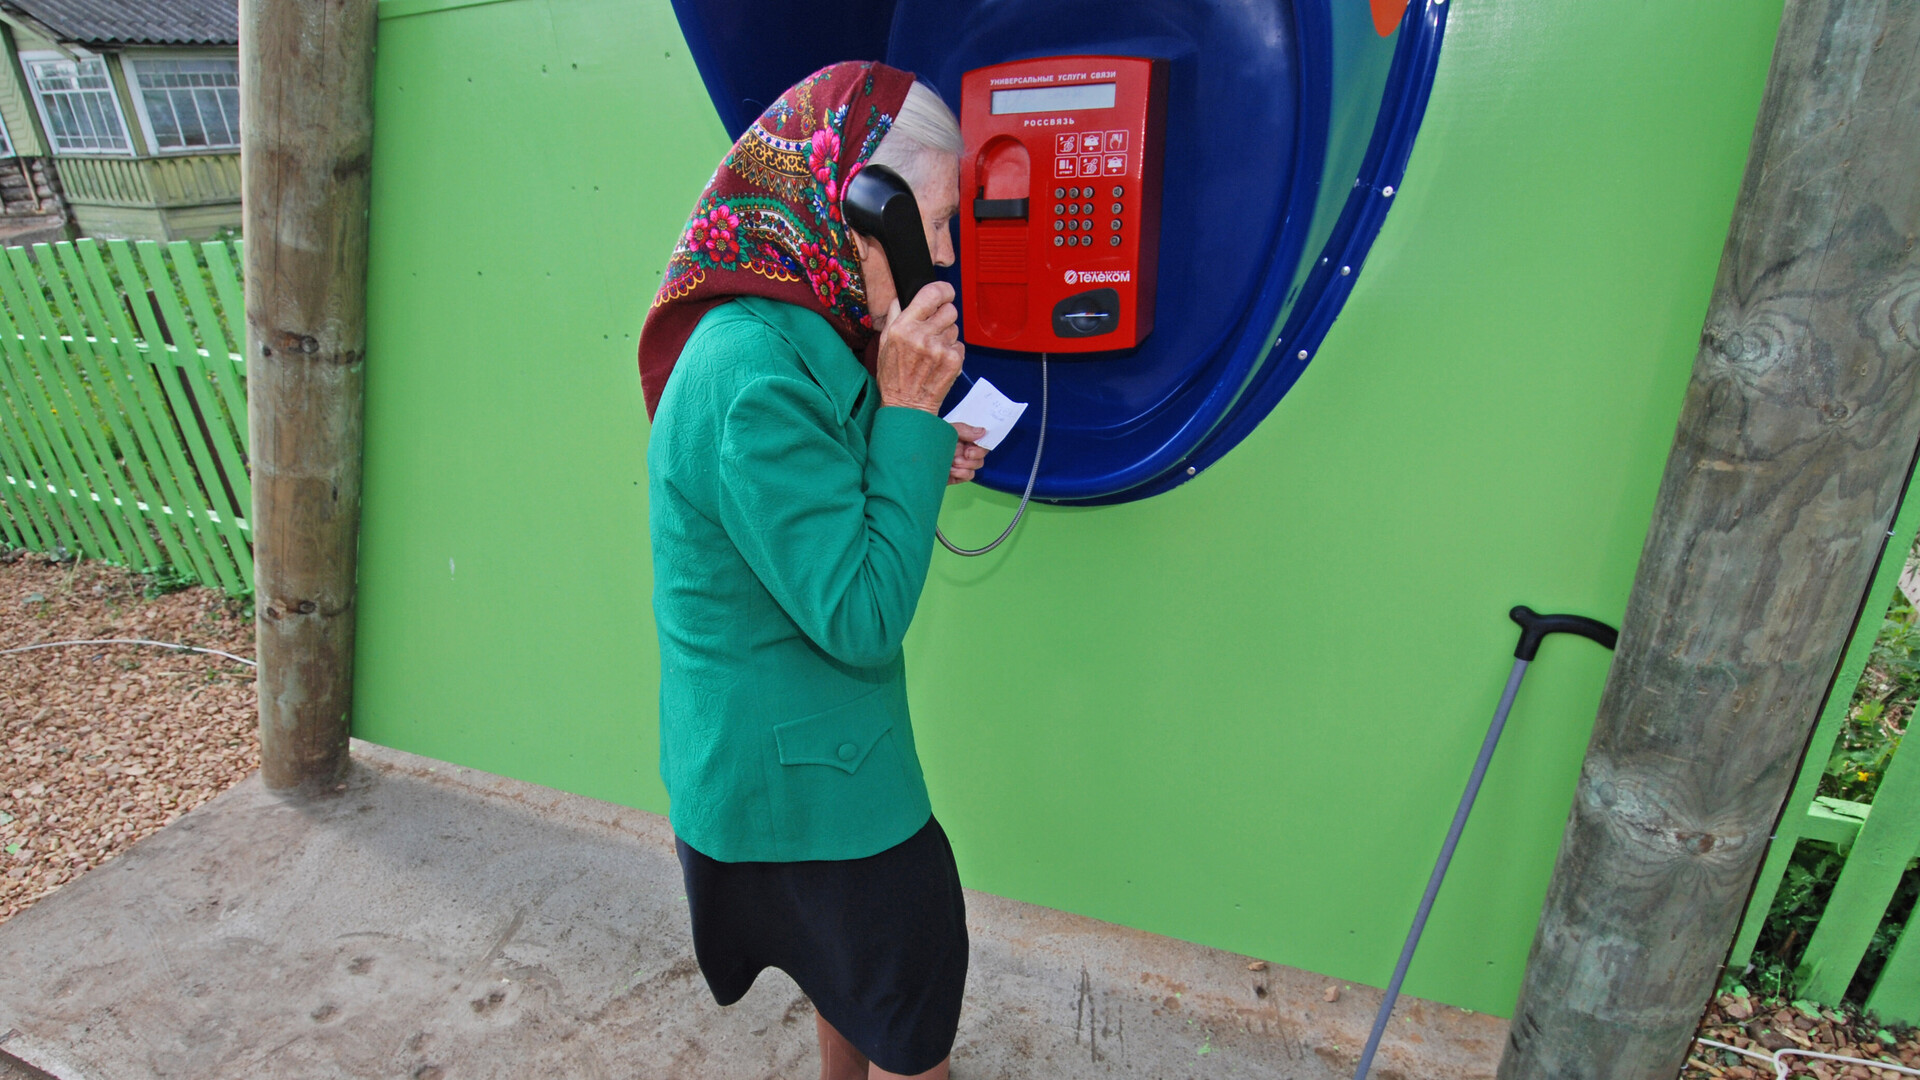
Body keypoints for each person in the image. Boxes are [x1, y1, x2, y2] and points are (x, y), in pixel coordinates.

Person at [637, 62, 982, 1080]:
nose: (948, 259)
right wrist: (910, 421)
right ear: (861, 212)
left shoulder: (796, 332)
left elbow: (817, 490)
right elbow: (861, 613)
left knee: (851, 991)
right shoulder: (751, 373)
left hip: (775, 765)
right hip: (803, 796)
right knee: (913, 1034)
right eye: (938, 224)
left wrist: (909, 440)